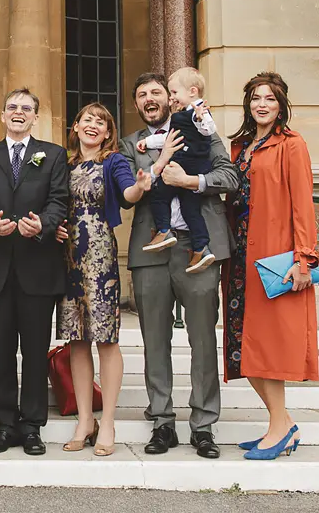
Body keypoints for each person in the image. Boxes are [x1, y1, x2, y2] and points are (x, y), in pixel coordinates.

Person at [119, 72, 239, 460]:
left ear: (171, 99)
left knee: (203, 338)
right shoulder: (129, 145)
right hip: (151, 249)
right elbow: (128, 194)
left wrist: (191, 180)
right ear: (138, 104)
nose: (151, 98)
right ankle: (162, 420)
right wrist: (155, 169)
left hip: (198, 248)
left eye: (157, 92)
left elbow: (230, 175)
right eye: (142, 95)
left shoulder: (201, 130)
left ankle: (203, 425)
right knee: (155, 339)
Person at [224, 72, 319, 460]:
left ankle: (279, 428)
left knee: (269, 346)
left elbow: (303, 204)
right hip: (239, 259)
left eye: (270, 99)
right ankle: (283, 425)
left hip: (274, 258)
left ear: (281, 105)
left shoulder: (292, 146)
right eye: (255, 98)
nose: (261, 104)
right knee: (241, 348)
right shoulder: (240, 146)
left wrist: (304, 258)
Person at [0, 88, 68, 456]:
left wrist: (41, 224)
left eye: (26, 108)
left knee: (35, 349)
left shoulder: (54, 155)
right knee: (0, 349)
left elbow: (60, 200)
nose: (18, 112)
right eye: (12, 107)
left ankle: (32, 426)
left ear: (36, 117)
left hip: (37, 267)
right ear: (2, 114)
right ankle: (5, 423)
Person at [54, 103, 151, 457]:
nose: (93, 126)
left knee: (106, 340)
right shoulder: (62, 164)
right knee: (76, 341)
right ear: (76, 126)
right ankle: (84, 420)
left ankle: (107, 421)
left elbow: (127, 193)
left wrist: (140, 187)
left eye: (101, 122)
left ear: (108, 133)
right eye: (87, 120)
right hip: (68, 261)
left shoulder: (114, 162)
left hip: (100, 258)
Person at [137, 66, 219, 273]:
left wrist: (201, 118)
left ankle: (164, 230)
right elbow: (170, 138)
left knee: (159, 194)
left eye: (173, 93)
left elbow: (208, 129)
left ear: (192, 91)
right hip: (187, 162)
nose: (172, 98)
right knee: (190, 210)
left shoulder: (198, 112)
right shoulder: (183, 115)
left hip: (189, 167)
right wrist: (147, 141)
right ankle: (201, 248)